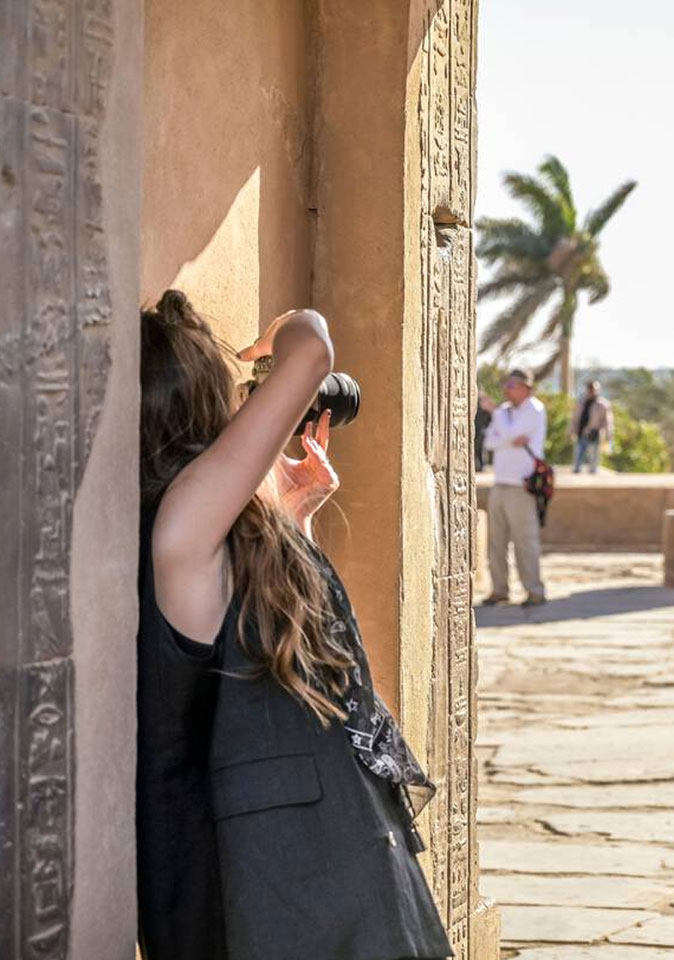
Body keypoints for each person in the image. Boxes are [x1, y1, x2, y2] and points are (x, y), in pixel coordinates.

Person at [136, 290, 452, 960]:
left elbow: (289, 678)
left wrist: (297, 515)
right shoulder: (179, 531)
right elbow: (310, 347)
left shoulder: (205, 538)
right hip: (266, 892)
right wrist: (279, 333)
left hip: (329, 873)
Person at [479, 368, 547, 607]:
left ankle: (534, 590)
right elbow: (490, 441)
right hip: (500, 482)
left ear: (525, 388)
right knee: (496, 542)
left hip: (522, 485)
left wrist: (496, 415)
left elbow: (508, 433)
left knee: (524, 542)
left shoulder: (534, 409)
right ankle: (500, 589)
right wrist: (508, 438)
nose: (506, 390)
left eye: (511, 385)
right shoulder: (506, 412)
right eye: (505, 385)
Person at [569, 380, 613, 473]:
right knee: (578, 456)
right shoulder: (581, 402)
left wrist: (608, 435)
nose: (592, 391)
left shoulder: (603, 404)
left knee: (593, 457)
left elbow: (608, 421)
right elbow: (575, 418)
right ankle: (576, 473)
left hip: (594, 434)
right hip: (580, 433)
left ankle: (593, 475)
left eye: (594, 389)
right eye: (590, 389)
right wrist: (571, 431)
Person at [474, 391, 494, 471]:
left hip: (481, 431)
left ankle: (482, 465)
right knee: (477, 449)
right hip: (476, 430)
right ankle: (479, 465)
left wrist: (486, 428)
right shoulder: (476, 408)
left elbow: (489, 419)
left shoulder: (484, 408)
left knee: (481, 449)